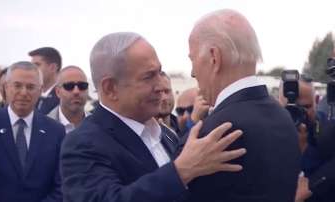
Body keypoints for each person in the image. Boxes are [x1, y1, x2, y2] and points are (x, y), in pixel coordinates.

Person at [60, 32, 246, 202]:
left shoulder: (165, 133)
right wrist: (181, 171)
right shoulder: (83, 143)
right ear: (110, 88)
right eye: (148, 77)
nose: (160, 86)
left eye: (159, 72)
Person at [186, 9, 301, 202]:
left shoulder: (216, 132)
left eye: (192, 59)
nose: (192, 72)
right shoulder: (284, 117)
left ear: (214, 57)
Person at [0, 61, 65, 202]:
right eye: (17, 85)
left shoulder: (56, 131)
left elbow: (61, 185)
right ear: (6, 87)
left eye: (30, 87)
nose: (23, 92)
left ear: (40, 90)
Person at [48, 65, 90, 133]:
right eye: (69, 86)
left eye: (82, 86)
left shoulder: (100, 125)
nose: (76, 91)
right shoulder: (43, 127)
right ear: (58, 92)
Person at [29, 47, 62, 114]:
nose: (32, 70)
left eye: (37, 65)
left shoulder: (64, 97)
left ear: (53, 67)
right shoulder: (32, 95)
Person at [155, 71, 181, 136]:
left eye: (167, 91)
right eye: (158, 92)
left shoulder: (184, 128)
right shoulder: (144, 135)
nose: (164, 98)